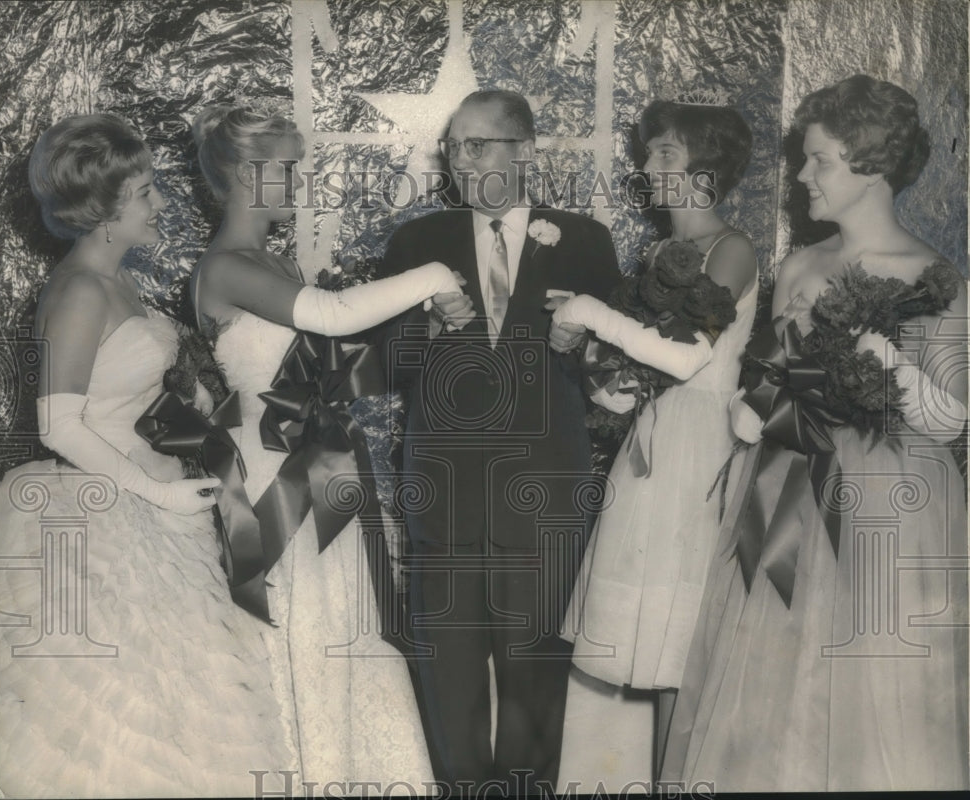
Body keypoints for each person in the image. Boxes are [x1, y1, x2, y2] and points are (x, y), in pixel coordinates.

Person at [661, 74, 969, 791]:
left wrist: (874, 353)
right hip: (788, 485)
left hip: (892, 506)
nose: (801, 176)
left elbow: (952, 418)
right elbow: (768, 384)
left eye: (819, 160)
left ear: (872, 167)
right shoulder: (799, 265)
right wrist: (754, 405)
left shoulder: (934, 277)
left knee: (876, 694)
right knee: (772, 684)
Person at [0, 114, 293, 797]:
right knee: (113, 725)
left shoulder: (115, 282)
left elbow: (124, 401)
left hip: (155, 512)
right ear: (105, 209)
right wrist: (156, 493)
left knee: (182, 711)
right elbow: (58, 425)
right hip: (101, 517)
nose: (161, 202)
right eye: (148, 190)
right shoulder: (78, 290)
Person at [190, 104, 465, 789]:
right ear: (248, 175)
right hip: (274, 475)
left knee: (343, 635)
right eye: (286, 168)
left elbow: (334, 356)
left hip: (315, 464)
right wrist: (433, 276)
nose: (295, 181)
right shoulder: (223, 267)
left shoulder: (268, 259)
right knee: (305, 641)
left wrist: (420, 321)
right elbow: (331, 317)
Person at [373, 89, 620, 793]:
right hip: (445, 493)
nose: (460, 160)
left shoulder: (585, 241)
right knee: (447, 679)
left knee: (536, 677)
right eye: (454, 147)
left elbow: (621, 372)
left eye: (477, 145)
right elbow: (381, 362)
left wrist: (585, 338)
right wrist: (422, 326)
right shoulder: (414, 243)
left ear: (526, 152)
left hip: (544, 493)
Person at [550, 99, 757, 789]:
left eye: (664, 154)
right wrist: (605, 383)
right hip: (655, 446)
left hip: (698, 452)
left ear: (706, 167)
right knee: (652, 643)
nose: (646, 167)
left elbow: (687, 359)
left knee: (679, 644)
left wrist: (587, 313)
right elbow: (642, 367)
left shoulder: (732, 247)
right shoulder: (662, 254)